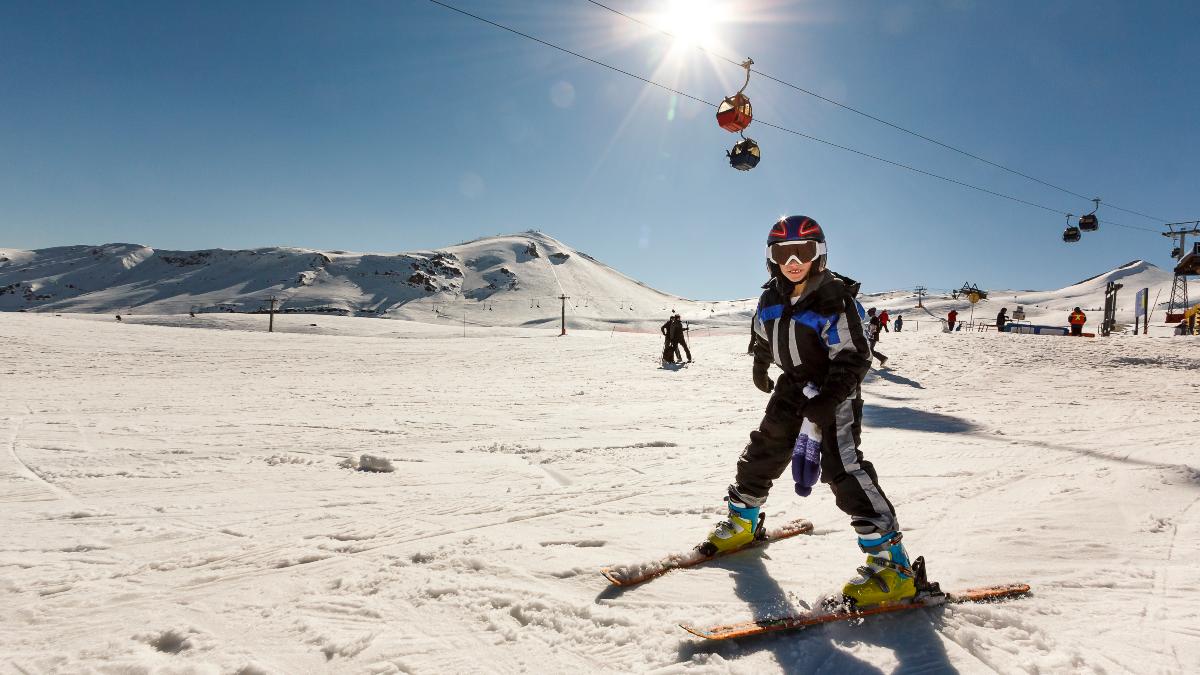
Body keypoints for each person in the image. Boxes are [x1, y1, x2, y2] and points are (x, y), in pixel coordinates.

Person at [705, 215, 914, 608]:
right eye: (783, 253)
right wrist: (760, 362)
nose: (793, 260)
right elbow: (764, 334)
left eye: (803, 251)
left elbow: (855, 356)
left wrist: (830, 398)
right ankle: (743, 521)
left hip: (833, 392)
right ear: (772, 258)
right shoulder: (770, 297)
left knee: (843, 469)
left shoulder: (834, 298)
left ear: (819, 254)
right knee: (763, 450)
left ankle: (893, 566)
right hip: (793, 386)